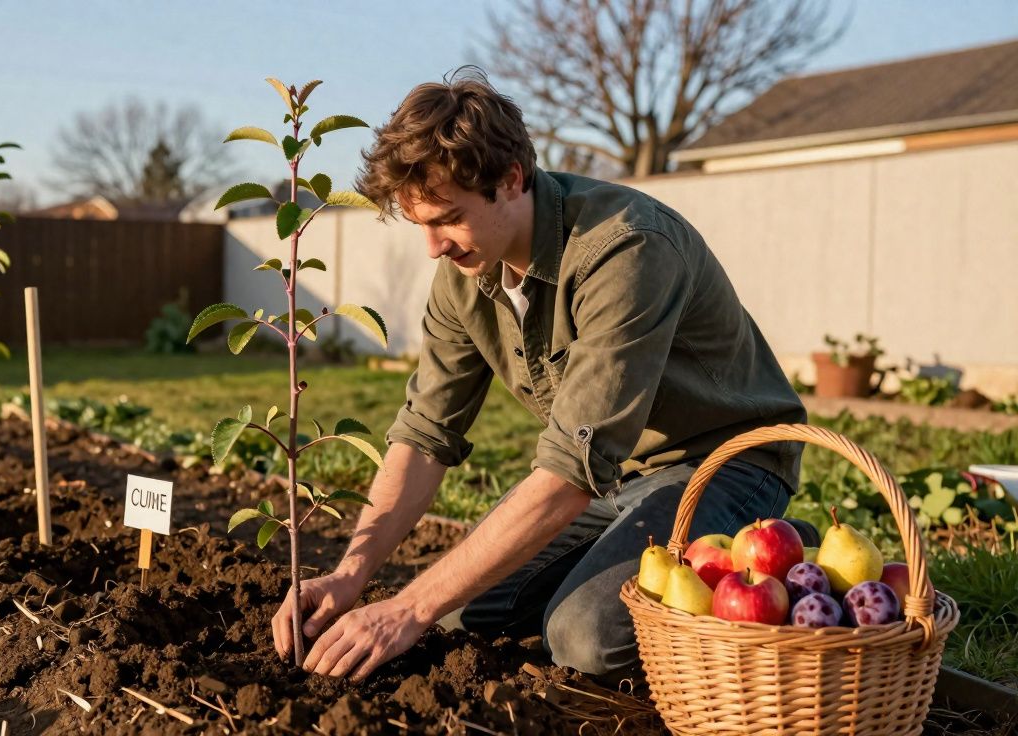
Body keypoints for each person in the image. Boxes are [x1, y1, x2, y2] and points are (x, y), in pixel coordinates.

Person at [271, 68, 810, 683]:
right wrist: (350, 576)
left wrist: (406, 608)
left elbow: (566, 477)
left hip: (721, 464)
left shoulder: (626, 250)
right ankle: (636, 560)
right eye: (419, 223)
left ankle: (770, 557)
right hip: (615, 479)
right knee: (463, 614)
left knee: (584, 636)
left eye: (447, 218)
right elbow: (424, 434)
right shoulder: (467, 273)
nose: (432, 247)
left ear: (511, 178)